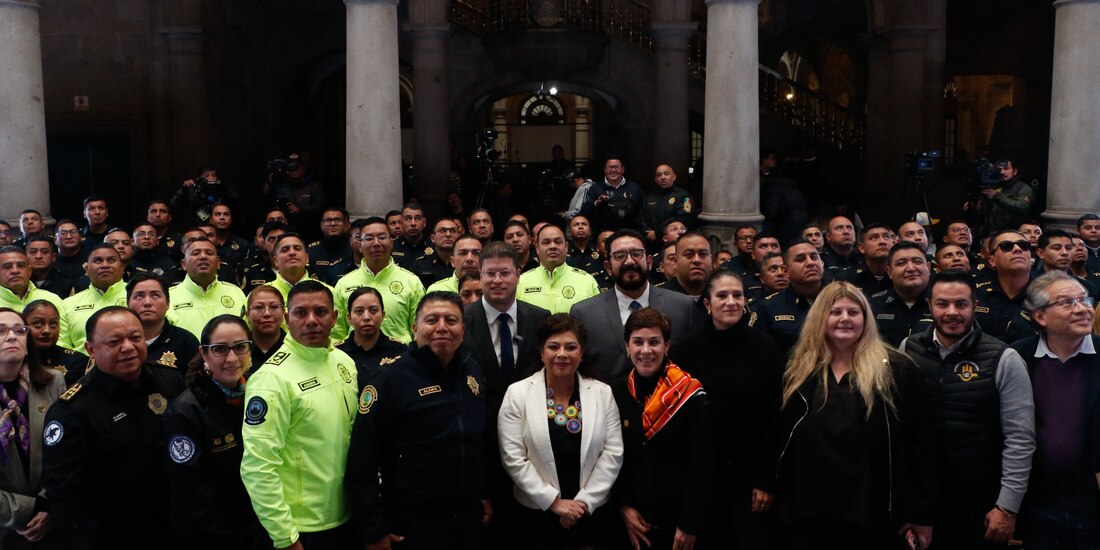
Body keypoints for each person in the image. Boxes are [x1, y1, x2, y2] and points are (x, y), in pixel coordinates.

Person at [772, 282, 936, 549]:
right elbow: (778, 436)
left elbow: (921, 446)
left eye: (853, 312)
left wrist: (921, 513)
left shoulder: (897, 371)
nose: (845, 319)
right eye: (835, 312)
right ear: (820, 318)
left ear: (866, 319)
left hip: (872, 514)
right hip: (808, 513)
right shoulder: (796, 369)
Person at [900, 270, 1035, 548]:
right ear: (930, 306)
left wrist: (1007, 507)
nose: (952, 312)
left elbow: (1020, 439)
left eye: (961, 304)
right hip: (923, 499)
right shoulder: (907, 349)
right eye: (942, 304)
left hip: (982, 503)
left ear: (974, 305)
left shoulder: (1004, 358)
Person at [347, 292, 490, 550]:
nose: (442, 327)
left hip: (467, 520)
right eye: (432, 320)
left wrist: (482, 494)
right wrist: (372, 530)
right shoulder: (390, 378)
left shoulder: (473, 370)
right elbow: (362, 461)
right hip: (413, 525)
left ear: (463, 329)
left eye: (451, 320)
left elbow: (478, 441)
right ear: (415, 328)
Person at [42, 306, 186, 548]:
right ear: (91, 349)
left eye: (136, 338)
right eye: (115, 341)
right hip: (113, 535)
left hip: (176, 526)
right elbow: (64, 498)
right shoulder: (71, 409)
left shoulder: (170, 381)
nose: (128, 347)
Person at [241, 280, 359, 548]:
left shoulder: (344, 362)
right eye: (300, 313)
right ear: (286, 318)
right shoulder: (271, 379)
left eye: (320, 312)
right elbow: (257, 467)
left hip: (347, 515)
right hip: (301, 528)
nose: (311, 321)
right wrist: (285, 536)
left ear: (335, 317)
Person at [672, 271, 783, 548]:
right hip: (703, 479)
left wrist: (767, 480)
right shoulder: (685, 351)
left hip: (752, 477)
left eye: (737, 295)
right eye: (722, 296)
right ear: (707, 304)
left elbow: (775, 417)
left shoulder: (766, 348)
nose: (731, 302)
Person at [497, 314, 624, 548]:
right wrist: (553, 502)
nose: (562, 354)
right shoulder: (517, 394)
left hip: (590, 514)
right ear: (541, 351)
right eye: (553, 346)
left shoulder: (602, 393)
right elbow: (513, 457)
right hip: (536, 515)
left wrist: (583, 503)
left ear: (582, 352)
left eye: (571, 347)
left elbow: (613, 453)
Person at [1010, 271, 1100, 549]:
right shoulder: (1017, 357)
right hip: (1039, 502)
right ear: (1040, 316)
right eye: (1067, 302)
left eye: (1085, 300)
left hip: (1093, 502)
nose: (1083, 309)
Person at [612, 307, 713, 550]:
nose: (646, 350)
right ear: (627, 346)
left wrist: (690, 523)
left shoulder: (691, 392)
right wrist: (624, 506)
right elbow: (611, 456)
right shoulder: (616, 391)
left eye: (654, 342)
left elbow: (703, 462)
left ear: (667, 346)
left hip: (680, 521)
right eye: (638, 342)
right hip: (635, 521)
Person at [163, 315, 264, 550]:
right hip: (215, 537)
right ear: (204, 353)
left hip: (257, 526)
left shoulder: (259, 393)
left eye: (240, 347)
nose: (231, 358)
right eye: (219, 349)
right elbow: (194, 495)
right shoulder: (185, 411)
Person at [570, 229, 703, 382]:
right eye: (620, 256)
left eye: (636, 254)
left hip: (670, 402)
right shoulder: (584, 313)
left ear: (649, 261)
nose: (629, 261)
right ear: (608, 267)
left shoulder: (683, 307)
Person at [0, 307, 65, 548]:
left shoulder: (54, 382)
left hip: (52, 521)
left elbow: (66, 452)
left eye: (19, 330)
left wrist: (49, 504)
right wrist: (26, 511)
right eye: (0, 331)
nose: (11, 336)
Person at [332, 217, 425, 344]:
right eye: (369, 238)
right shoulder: (344, 283)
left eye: (382, 237)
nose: (376, 243)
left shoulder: (412, 282)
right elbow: (337, 334)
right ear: (360, 245)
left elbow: (419, 331)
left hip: (400, 358)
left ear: (391, 242)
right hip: (355, 359)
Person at [749, 240, 827, 353]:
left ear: (822, 264)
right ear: (786, 270)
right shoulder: (768, 308)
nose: (810, 263)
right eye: (800, 259)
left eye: (814, 257)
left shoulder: (840, 299)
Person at [166, 237, 247, 338]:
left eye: (209, 253)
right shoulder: (169, 297)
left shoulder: (235, 292)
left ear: (218, 263)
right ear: (184, 264)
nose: (203, 257)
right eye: (195, 253)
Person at [517, 225, 600, 314]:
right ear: (537, 248)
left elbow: (598, 318)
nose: (553, 246)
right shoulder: (521, 282)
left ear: (566, 247)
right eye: (546, 242)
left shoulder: (587, 281)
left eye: (558, 242)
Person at [58, 244, 126, 351]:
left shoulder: (139, 296)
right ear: (87, 269)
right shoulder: (67, 304)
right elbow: (62, 345)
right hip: (80, 366)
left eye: (111, 260)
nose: (105, 265)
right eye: (98, 261)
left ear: (122, 268)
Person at [336, 287, 406, 391]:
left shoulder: (400, 351)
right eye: (359, 311)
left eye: (373, 310)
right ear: (349, 317)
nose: (366, 317)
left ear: (383, 315)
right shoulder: (337, 353)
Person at [127, 272, 199, 373]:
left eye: (155, 295)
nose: (147, 302)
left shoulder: (186, 341)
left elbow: (195, 384)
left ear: (168, 303)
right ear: (128, 304)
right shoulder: (117, 342)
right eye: (139, 296)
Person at [870, 242, 934, 347]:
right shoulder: (873, 305)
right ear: (889, 272)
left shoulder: (944, 303)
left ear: (928, 267)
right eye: (901, 263)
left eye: (917, 262)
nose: (911, 268)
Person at [24, 300, 87, 385]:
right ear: (24, 327)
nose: (47, 330)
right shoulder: (14, 360)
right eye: (38, 323)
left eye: (53, 324)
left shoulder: (77, 362)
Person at [0, 247, 66, 324]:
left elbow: (63, 335)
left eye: (21, 265)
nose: (15, 271)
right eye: (7, 267)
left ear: (30, 271)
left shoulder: (52, 299)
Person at [584, 156, 645, 232]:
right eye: (610, 167)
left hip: (630, 233)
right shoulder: (595, 188)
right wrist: (596, 202)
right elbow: (584, 211)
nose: (613, 170)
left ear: (623, 169)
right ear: (605, 169)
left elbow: (642, 212)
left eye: (617, 167)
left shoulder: (634, 188)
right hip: (604, 234)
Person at [977, 158, 1034, 234]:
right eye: (999, 169)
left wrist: (996, 196)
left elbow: (1022, 206)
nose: (1002, 172)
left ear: (1015, 171)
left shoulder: (1023, 188)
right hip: (991, 231)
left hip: (1012, 231)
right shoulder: (994, 185)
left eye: (1006, 169)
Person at [643, 164, 695, 242]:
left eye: (666, 174)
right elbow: (641, 217)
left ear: (674, 177)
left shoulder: (684, 196)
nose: (663, 177)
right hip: (651, 241)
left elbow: (683, 218)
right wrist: (646, 231)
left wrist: (658, 233)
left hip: (674, 241)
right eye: (659, 175)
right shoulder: (650, 197)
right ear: (656, 179)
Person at [308, 207, 355, 285]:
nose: (333, 224)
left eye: (337, 220)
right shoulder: (312, 251)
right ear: (321, 226)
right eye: (328, 220)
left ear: (346, 225)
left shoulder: (354, 248)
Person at [245, 285, 286, 370]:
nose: (267, 313)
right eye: (259, 307)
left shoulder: (296, 349)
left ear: (283, 313)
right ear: (247, 315)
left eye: (274, 307)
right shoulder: (238, 351)